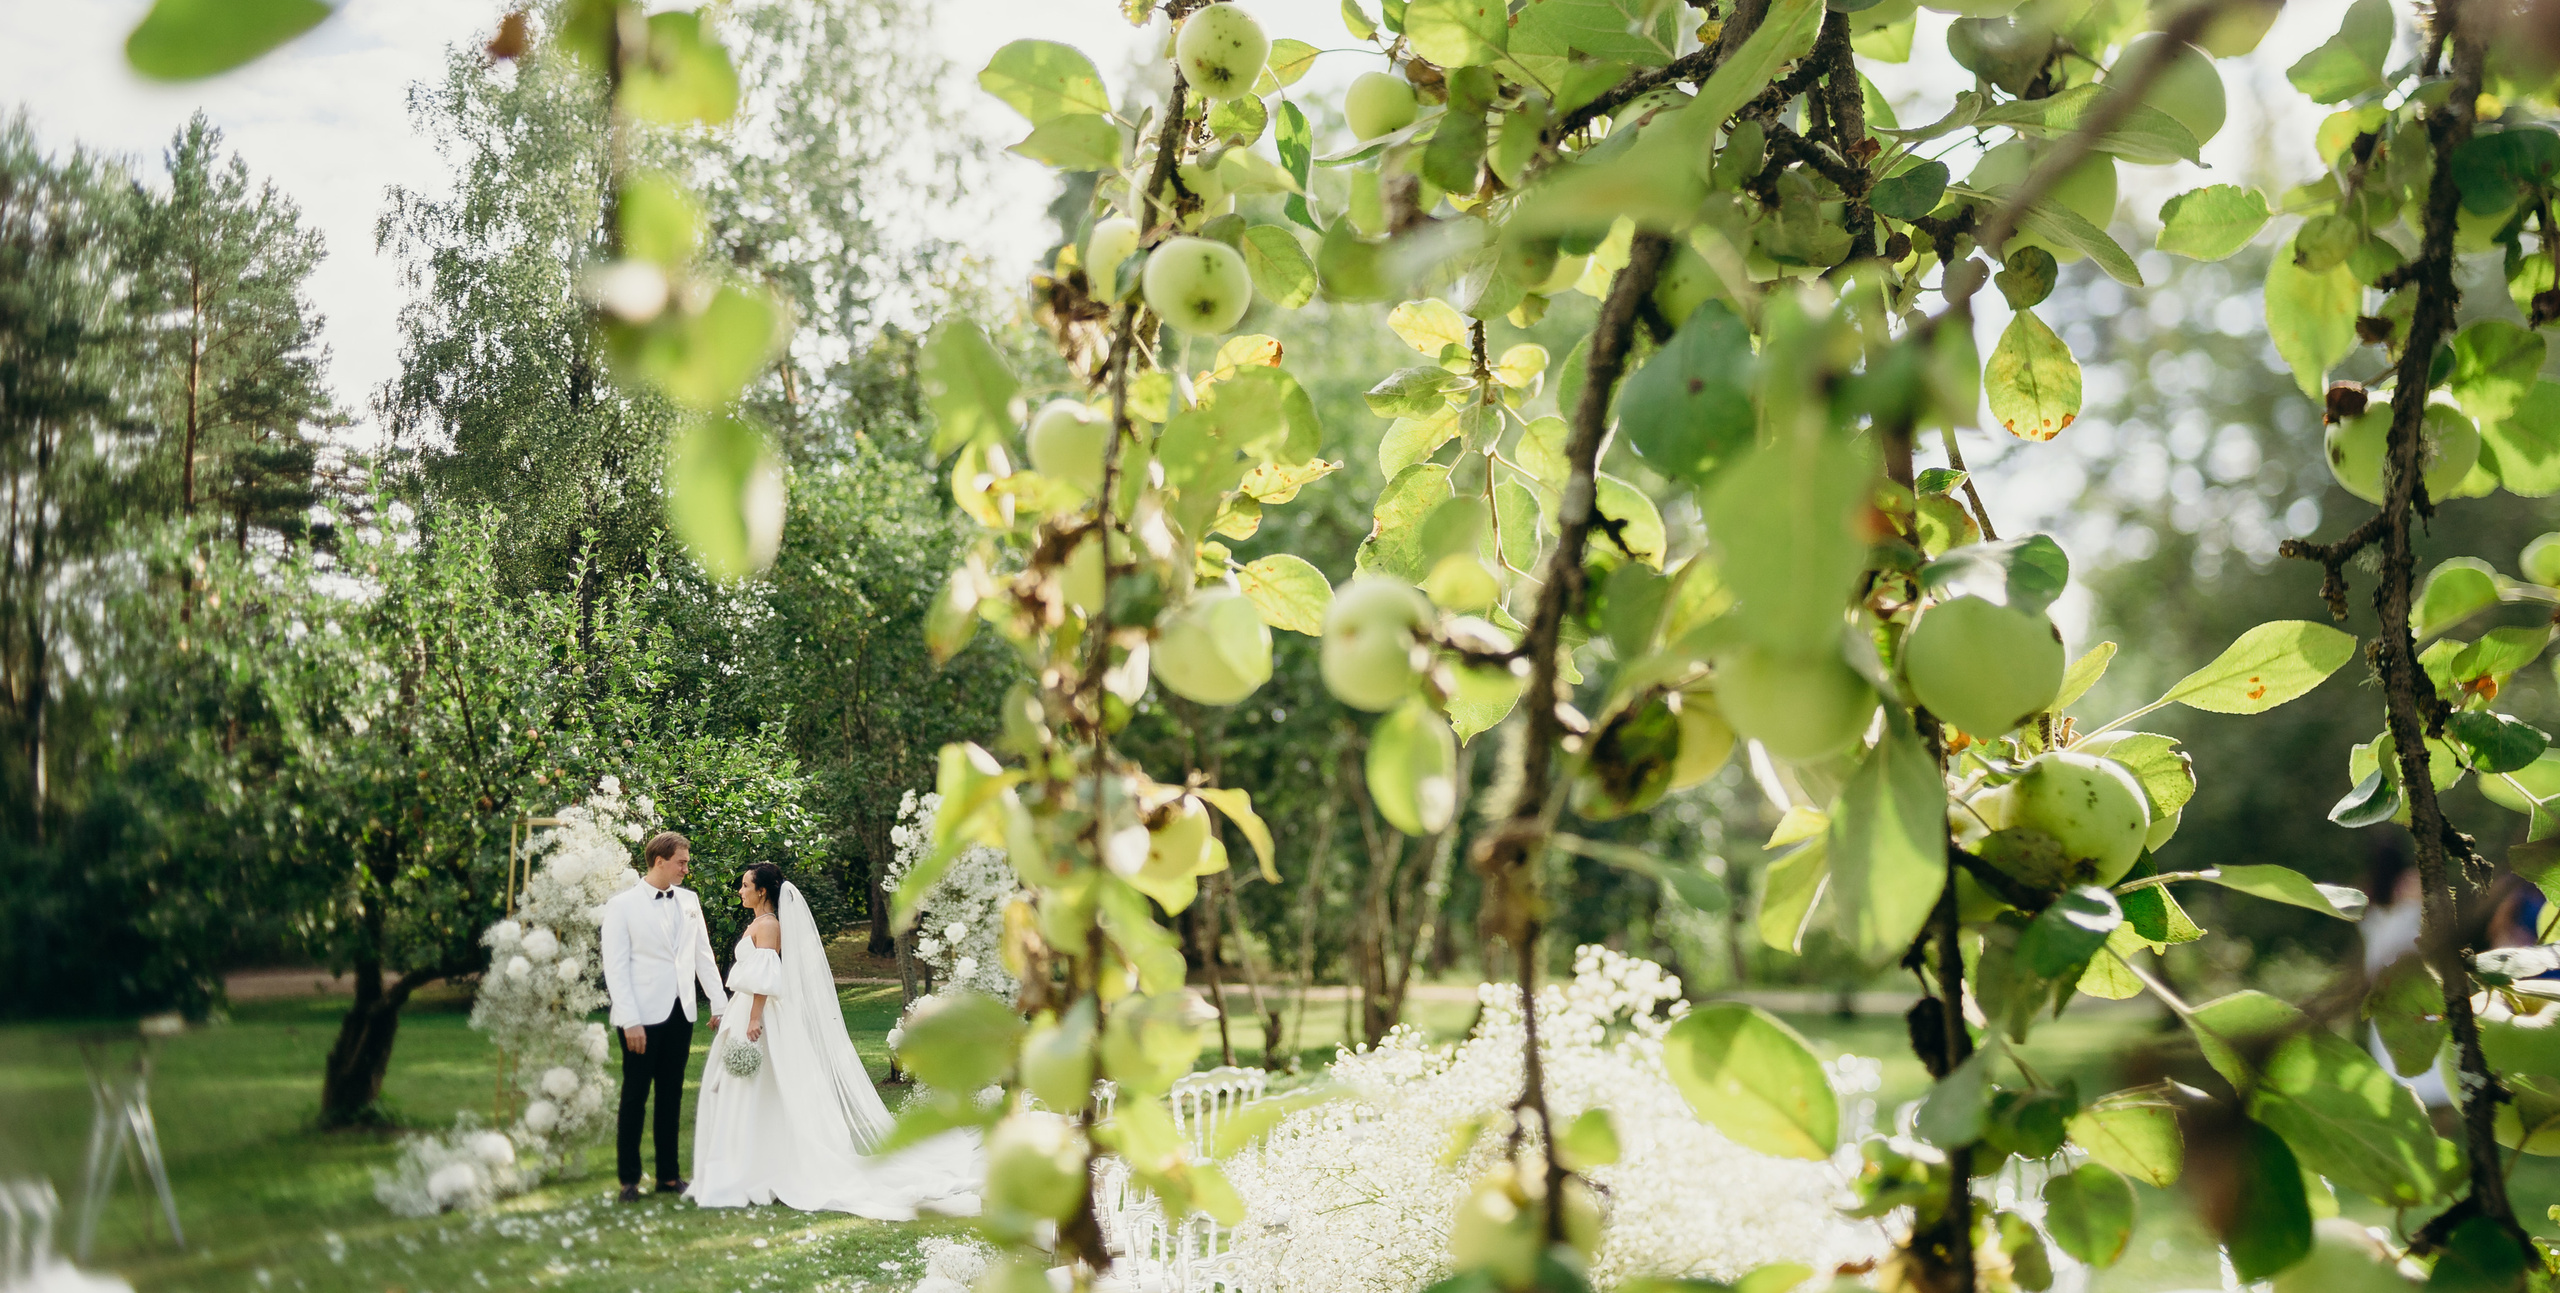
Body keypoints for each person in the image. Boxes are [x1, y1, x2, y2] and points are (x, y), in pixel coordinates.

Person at [687, 862, 981, 1218]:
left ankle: (757, 1167)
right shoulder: (758, 922)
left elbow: (765, 975)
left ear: (761, 891)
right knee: (750, 1088)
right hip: (748, 1009)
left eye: (746, 885)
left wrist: (752, 1019)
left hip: (759, 1015)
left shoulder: (768, 925)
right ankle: (745, 1164)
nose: (741, 890)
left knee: (759, 1086)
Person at [600, 831, 727, 1203]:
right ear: (659, 861)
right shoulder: (621, 906)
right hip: (640, 1017)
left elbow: (703, 956)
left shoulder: (689, 901)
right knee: (635, 1095)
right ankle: (628, 1180)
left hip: (680, 1012)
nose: (687, 869)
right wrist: (629, 1019)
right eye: (681, 862)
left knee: (671, 1095)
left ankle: (669, 1176)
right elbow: (616, 968)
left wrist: (719, 1003)